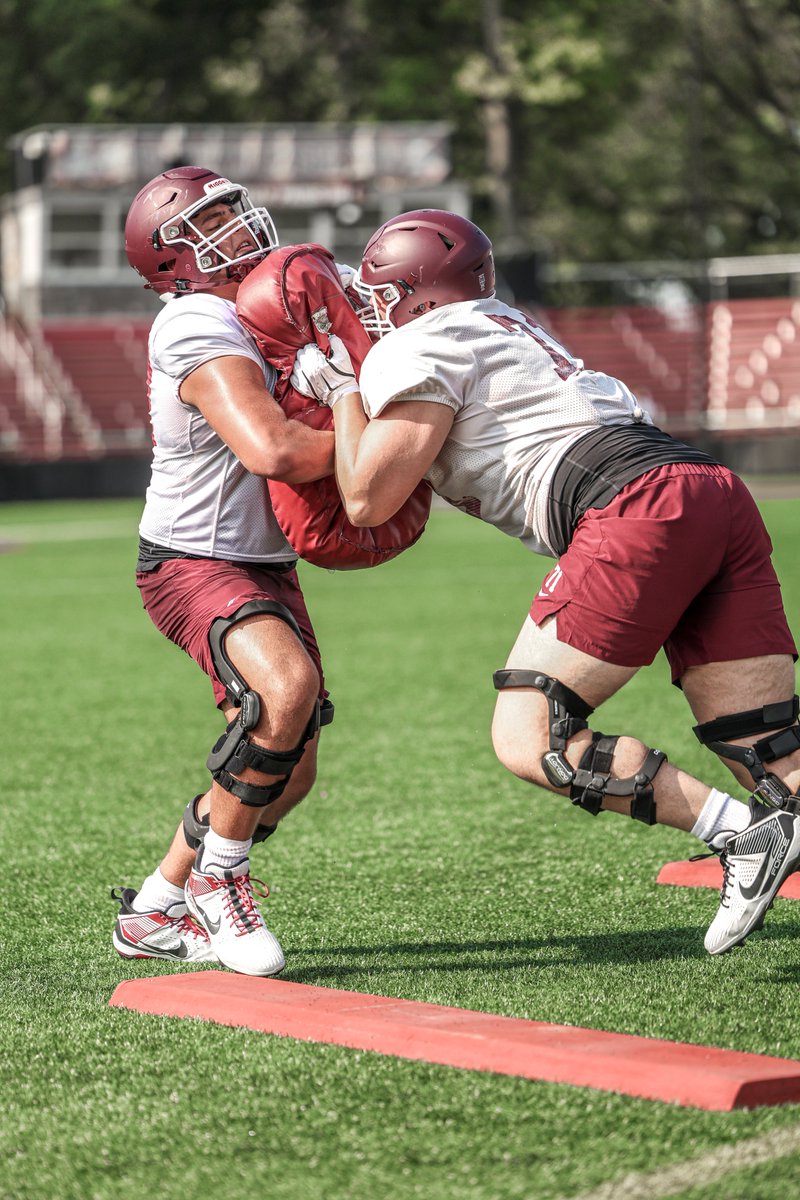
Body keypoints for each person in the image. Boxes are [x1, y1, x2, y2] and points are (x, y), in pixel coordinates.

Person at [290, 208, 800, 957]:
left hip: (633, 506)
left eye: (381, 293)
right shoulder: (506, 322)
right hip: (707, 488)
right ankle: (766, 824)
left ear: (416, 296)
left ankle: (739, 837)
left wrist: (340, 392)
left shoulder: (424, 342)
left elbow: (368, 498)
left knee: (533, 737)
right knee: (768, 748)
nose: (372, 309)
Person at [112, 165, 339, 977]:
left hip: (264, 560)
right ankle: (221, 882)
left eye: (236, 213)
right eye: (213, 223)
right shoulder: (194, 318)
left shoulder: (261, 303)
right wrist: (380, 438)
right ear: (171, 260)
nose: (241, 229)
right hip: (192, 554)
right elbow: (274, 449)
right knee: (283, 692)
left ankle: (154, 909)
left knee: (290, 766)